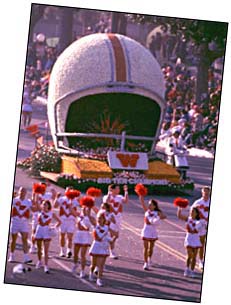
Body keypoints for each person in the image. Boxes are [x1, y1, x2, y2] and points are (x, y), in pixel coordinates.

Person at [8, 187, 36, 263]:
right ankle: (12, 256)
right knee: (14, 239)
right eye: (21, 191)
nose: (22, 192)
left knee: (25, 239)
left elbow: (34, 210)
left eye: (24, 191)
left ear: (26, 193)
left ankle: (26, 257)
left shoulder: (28, 202)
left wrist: (35, 202)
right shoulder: (14, 200)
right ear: (19, 192)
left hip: (24, 223)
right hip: (15, 222)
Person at [139, 195, 166, 270]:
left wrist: (159, 216)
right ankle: (145, 263)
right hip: (146, 230)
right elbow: (142, 204)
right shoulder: (147, 211)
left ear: (154, 206)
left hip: (153, 231)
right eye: (149, 204)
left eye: (151, 204)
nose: (149, 206)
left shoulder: (157, 212)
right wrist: (141, 197)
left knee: (151, 248)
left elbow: (164, 216)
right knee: (145, 247)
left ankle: (149, 258)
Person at [89, 210, 115, 287]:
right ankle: (91, 273)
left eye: (101, 218)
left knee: (101, 265)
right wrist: (89, 208)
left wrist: (112, 239)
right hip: (96, 246)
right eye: (98, 218)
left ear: (104, 219)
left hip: (103, 247)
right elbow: (90, 218)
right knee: (93, 264)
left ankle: (99, 279)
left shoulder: (107, 227)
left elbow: (113, 235)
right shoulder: (95, 226)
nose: (99, 220)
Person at [34, 200, 61, 273]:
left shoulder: (51, 213)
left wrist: (54, 227)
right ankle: (39, 261)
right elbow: (35, 201)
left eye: (45, 204)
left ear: (49, 206)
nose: (44, 206)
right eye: (43, 204)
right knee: (39, 248)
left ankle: (46, 265)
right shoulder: (39, 211)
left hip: (46, 231)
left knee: (46, 250)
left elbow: (59, 221)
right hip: (39, 230)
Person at [102, 184, 129, 259]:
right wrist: (109, 193)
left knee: (116, 235)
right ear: (112, 190)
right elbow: (106, 202)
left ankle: (108, 246)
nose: (118, 190)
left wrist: (126, 192)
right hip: (110, 218)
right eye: (117, 189)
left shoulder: (119, 197)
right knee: (111, 235)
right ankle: (112, 251)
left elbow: (126, 201)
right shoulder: (106, 197)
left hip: (118, 218)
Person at [30, 183, 56, 253]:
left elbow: (54, 195)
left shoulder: (48, 195)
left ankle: (44, 250)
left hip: (45, 216)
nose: (41, 188)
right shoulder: (37, 194)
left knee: (45, 232)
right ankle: (32, 246)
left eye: (43, 187)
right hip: (37, 215)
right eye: (40, 187)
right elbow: (33, 202)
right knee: (34, 231)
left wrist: (51, 186)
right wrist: (34, 192)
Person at [177, 206, 202, 277]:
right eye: (191, 211)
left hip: (196, 239)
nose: (191, 212)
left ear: (196, 213)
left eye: (193, 211)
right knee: (189, 255)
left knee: (194, 257)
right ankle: (187, 269)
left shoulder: (199, 222)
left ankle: (192, 271)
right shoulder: (188, 219)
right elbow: (179, 216)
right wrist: (179, 208)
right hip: (189, 239)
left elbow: (195, 230)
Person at [54, 187, 80, 258]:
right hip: (63, 220)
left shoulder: (75, 200)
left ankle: (69, 250)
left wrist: (78, 198)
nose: (68, 192)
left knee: (70, 237)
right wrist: (56, 198)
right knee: (62, 235)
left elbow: (81, 205)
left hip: (71, 220)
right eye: (67, 190)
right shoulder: (62, 199)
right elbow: (55, 206)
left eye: (70, 191)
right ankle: (62, 251)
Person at [72, 204, 96, 278]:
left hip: (85, 235)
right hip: (78, 234)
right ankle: (75, 264)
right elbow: (71, 210)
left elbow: (95, 224)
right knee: (75, 254)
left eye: (86, 208)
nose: (84, 209)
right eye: (83, 208)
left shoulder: (91, 217)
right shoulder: (79, 216)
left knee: (82, 255)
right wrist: (70, 199)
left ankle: (82, 271)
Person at [190, 186, 211, 269]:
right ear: (202, 193)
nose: (205, 194)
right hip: (199, 225)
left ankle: (201, 260)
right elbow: (191, 213)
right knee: (196, 242)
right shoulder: (197, 202)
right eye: (204, 192)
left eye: (207, 192)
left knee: (203, 244)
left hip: (206, 224)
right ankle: (195, 259)